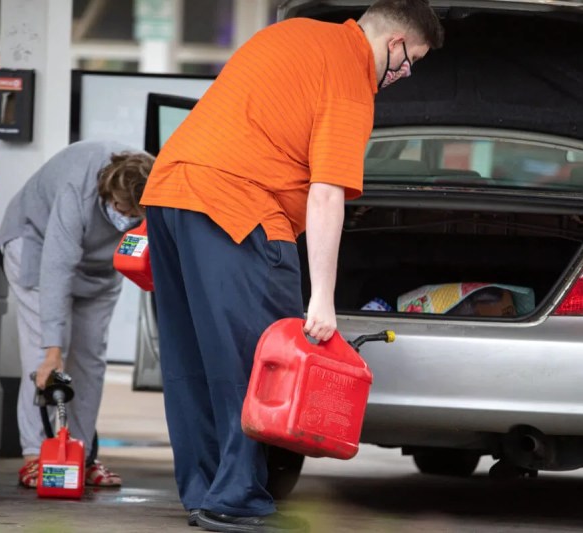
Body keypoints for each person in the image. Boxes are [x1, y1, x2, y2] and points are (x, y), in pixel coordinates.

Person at [139, 0, 444, 530]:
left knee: (193, 358)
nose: (404, 74)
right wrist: (321, 299)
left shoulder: (293, 34)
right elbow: (326, 195)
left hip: (170, 194)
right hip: (240, 207)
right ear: (394, 43)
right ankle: (233, 497)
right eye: (410, 61)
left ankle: (204, 490)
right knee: (256, 363)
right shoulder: (351, 79)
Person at [0, 140, 155, 489]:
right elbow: (57, 268)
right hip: (36, 247)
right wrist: (54, 349)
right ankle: (36, 455)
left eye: (135, 216)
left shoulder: (155, 186)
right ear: (108, 195)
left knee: (91, 359)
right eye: (122, 210)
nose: (126, 220)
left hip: (100, 266)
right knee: (45, 356)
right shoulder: (77, 189)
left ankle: (79, 456)